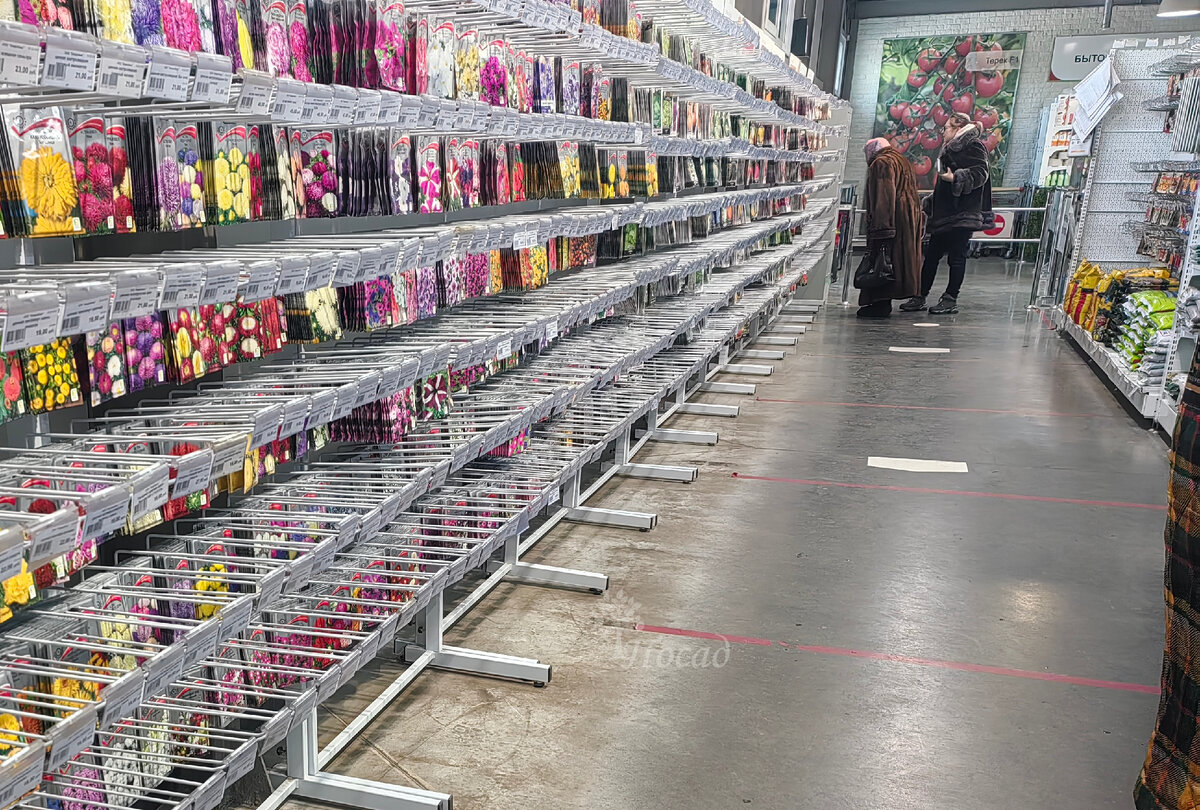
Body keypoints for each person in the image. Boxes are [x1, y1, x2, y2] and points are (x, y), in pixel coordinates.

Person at [900, 111, 994, 315]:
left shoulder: (973, 145)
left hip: (962, 213)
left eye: (946, 128)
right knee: (931, 256)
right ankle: (920, 295)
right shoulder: (950, 147)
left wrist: (956, 178)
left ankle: (950, 298)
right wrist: (932, 201)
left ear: (958, 128)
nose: (943, 132)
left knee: (956, 257)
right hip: (944, 212)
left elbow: (981, 173)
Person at [857, 137, 922, 318]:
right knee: (896, 262)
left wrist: (881, 229)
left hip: (890, 220)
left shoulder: (881, 163)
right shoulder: (902, 160)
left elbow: (883, 197)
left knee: (882, 262)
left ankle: (879, 303)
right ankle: (883, 301)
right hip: (906, 220)